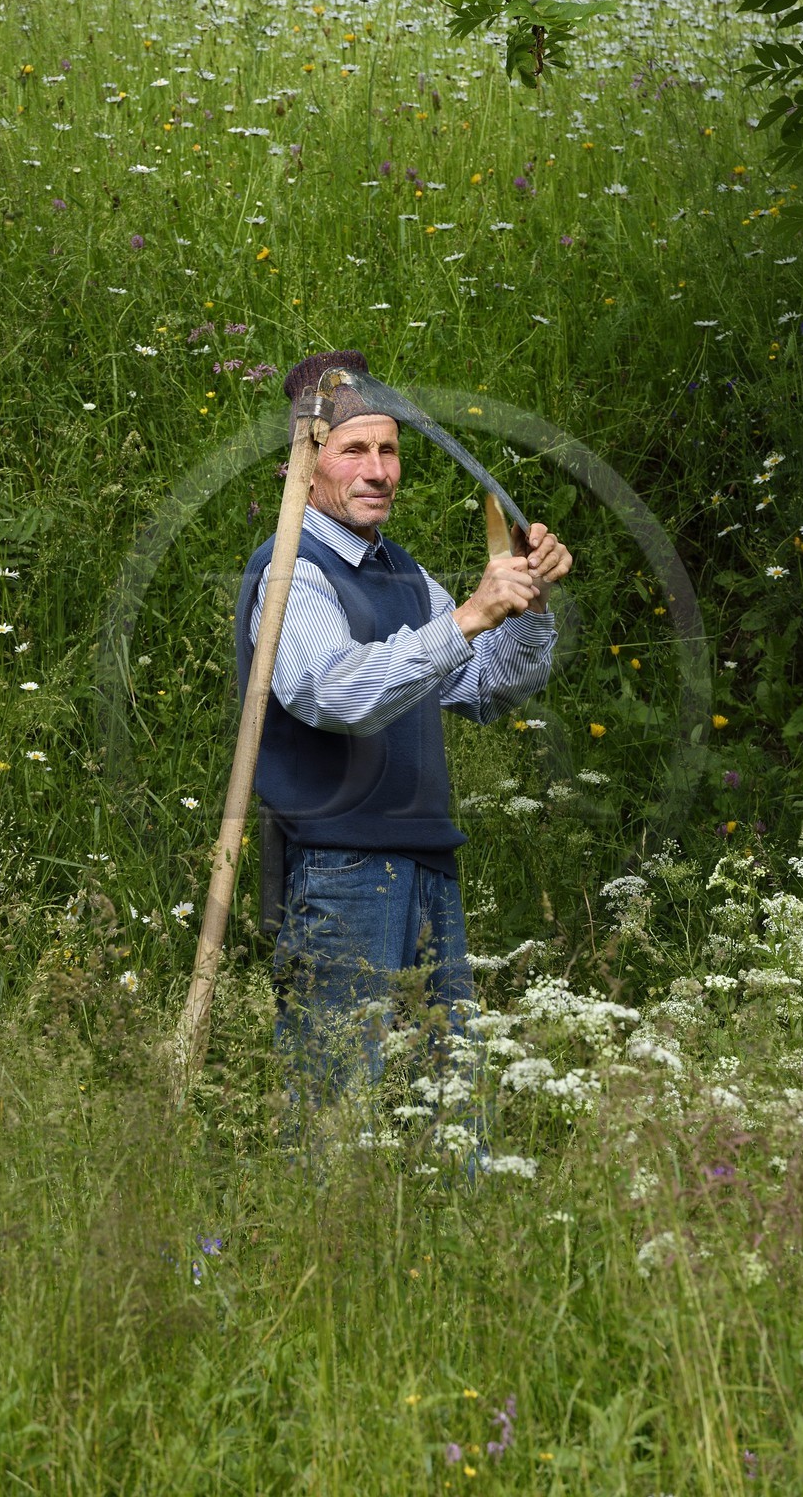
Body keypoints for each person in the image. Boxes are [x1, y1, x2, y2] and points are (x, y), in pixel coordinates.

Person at [234, 349, 572, 1104]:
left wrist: (527, 602)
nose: (378, 470)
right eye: (354, 449)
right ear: (307, 468)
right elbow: (331, 695)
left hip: (424, 863)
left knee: (445, 1109)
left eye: (388, 450)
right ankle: (316, 1227)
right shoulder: (293, 569)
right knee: (334, 1108)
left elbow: (484, 687)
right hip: (338, 867)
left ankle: (452, 1220)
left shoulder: (404, 574)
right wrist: (471, 614)